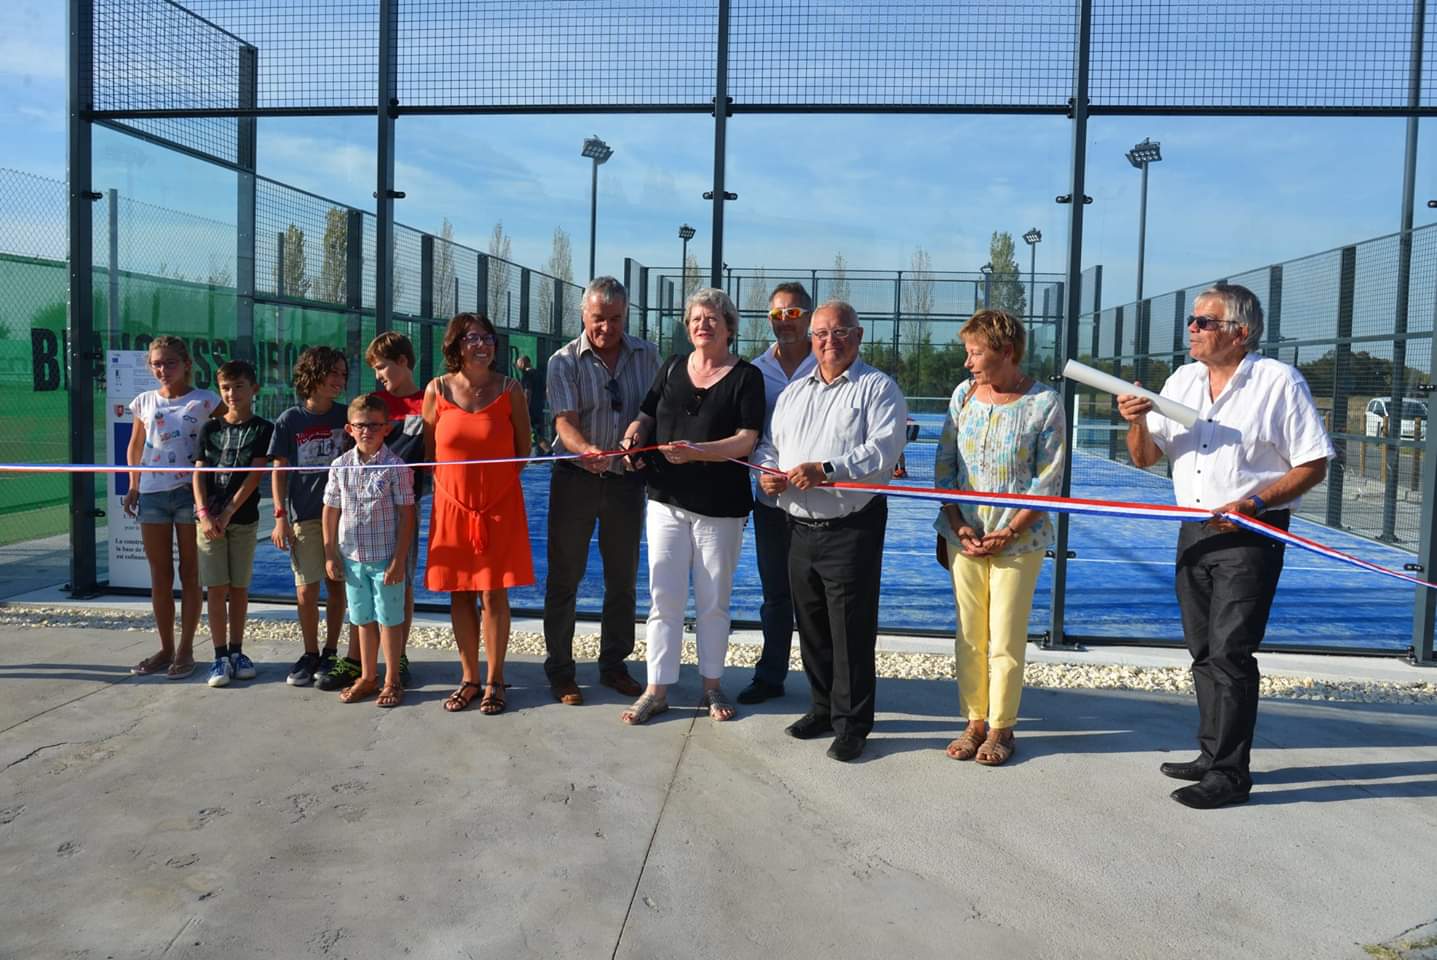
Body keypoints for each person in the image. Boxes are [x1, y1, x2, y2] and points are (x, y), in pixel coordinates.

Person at [1117, 283, 1334, 809]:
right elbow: (1146, 458)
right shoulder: (1183, 380)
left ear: (1241, 332)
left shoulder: (1278, 382)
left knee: (1231, 651)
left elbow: (1313, 464)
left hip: (1250, 535)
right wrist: (1137, 420)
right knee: (1203, 649)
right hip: (1194, 530)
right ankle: (1211, 753)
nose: (1192, 329)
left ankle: (1231, 774)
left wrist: (1254, 504)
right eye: (1192, 321)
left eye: (1204, 322)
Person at [755, 301, 907, 762]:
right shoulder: (794, 393)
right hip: (798, 527)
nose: (829, 341)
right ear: (811, 339)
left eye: (839, 332)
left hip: (851, 528)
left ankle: (853, 724)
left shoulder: (877, 389)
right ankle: (822, 708)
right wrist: (767, 473)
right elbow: (769, 445)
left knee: (850, 630)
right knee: (813, 626)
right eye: (821, 334)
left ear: (858, 336)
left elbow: (882, 451)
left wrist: (826, 470)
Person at [617, 288, 765, 724]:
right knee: (663, 597)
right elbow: (645, 415)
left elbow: (747, 440)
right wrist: (632, 437)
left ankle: (712, 686)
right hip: (666, 500)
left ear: (729, 327)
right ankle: (657, 689)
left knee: (713, 601)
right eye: (696, 318)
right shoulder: (670, 367)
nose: (703, 324)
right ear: (688, 327)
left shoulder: (747, 377)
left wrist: (699, 451)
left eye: (713, 318)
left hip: (721, 508)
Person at [934, 310, 1065, 767]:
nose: (967, 362)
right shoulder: (963, 396)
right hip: (964, 538)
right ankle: (974, 721)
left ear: (1006, 352)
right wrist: (958, 523)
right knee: (970, 634)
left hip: (1019, 541)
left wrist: (1010, 530)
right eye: (967, 353)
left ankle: (1001, 727)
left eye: (975, 353)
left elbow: (1047, 482)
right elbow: (945, 466)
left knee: (1005, 635)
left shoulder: (1045, 403)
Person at [543, 276, 660, 705]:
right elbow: (564, 421)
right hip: (575, 479)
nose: (606, 327)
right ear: (583, 314)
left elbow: (653, 410)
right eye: (598, 318)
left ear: (625, 315)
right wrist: (586, 449)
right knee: (564, 578)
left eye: (614, 319)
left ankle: (614, 665)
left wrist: (640, 433)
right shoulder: (563, 361)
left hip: (626, 483)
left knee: (622, 579)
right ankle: (560, 671)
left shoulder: (648, 355)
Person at [423, 312, 534, 714]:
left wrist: (493, 492)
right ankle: (469, 678)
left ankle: (495, 679)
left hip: (499, 508)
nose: (482, 345)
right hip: (452, 509)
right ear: (456, 345)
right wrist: (458, 495)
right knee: (460, 592)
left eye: (488, 338)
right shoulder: (436, 390)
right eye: (473, 338)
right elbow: (430, 454)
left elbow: (523, 450)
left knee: (493, 591)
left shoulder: (510, 389)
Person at [123, 335, 223, 680]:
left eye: (169, 362)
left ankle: (186, 649)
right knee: (160, 575)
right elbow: (135, 447)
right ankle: (165, 648)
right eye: (156, 364)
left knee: (191, 574)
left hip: (190, 496)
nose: (163, 369)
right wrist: (133, 486)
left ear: (186, 365)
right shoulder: (143, 401)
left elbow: (226, 436)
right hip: (152, 495)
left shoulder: (206, 400)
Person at [737, 282, 818, 705]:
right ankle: (770, 676)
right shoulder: (756, 371)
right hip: (770, 502)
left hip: (818, 505)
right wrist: (763, 471)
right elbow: (752, 434)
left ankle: (826, 686)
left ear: (809, 317)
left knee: (818, 597)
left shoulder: (827, 365)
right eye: (776, 315)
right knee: (775, 596)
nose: (784, 322)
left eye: (793, 313)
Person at [322, 394, 417, 706]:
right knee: (362, 617)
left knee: (390, 619)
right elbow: (331, 510)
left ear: (387, 428)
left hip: (385, 558)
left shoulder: (396, 467)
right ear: (349, 429)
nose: (368, 431)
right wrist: (331, 553)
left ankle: (392, 679)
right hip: (352, 558)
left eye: (375, 425)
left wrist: (399, 559)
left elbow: (407, 515)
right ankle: (367, 675)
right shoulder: (340, 466)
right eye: (361, 425)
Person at [268, 346, 352, 687]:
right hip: (304, 516)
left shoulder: (347, 417)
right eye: (333, 373)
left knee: (337, 584)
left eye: (343, 374)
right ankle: (310, 651)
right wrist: (280, 517)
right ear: (313, 374)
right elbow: (279, 471)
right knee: (306, 589)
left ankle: (331, 651)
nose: (340, 380)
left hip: (343, 517)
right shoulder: (290, 420)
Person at [192, 359, 273, 688]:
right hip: (209, 523)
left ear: (254, 389)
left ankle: (237, 652)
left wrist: (228, 513)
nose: (232, 393)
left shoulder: (263, 429)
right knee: (216, 588)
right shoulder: (209, 428)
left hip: (242, 520)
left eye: (239, 387)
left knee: (238, 587)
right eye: (225, 387)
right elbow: (199, 473)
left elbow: (254, 475)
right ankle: (220, 656)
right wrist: (203, 513)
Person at [365, 331, 424, 690]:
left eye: (382, 367)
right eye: (374, 369)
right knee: (366, 580)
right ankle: (365, 658)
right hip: (368, 509)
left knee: (401, 580)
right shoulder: (375, 405)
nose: (378, 375)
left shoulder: (429, 403)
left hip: (405, 509)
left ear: (403, 362)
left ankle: (398, 654)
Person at [515, 354, 549, 454]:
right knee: (536, 433)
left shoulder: (527, 375)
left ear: (522, 363)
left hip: (530, 410)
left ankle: (548, 451)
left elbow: (527, 393)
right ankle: (545, 452)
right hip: (539, 408)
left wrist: (524, 409)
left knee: (531, 433)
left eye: (518, 364)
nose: (517, 367)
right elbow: (545, 391)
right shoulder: (539, 374)